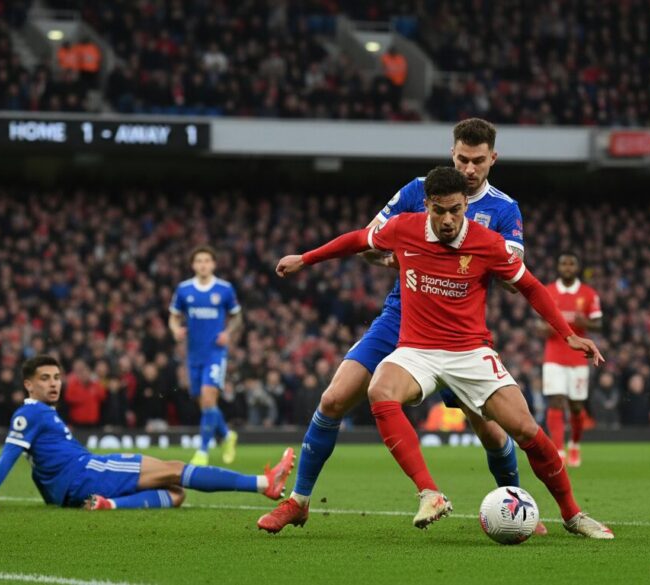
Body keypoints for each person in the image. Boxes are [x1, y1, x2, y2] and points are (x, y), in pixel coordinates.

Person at [276, 166, 613, 538]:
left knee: (524, 429)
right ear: (427, 206)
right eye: (439, 211)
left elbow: (531, 286)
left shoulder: (487, 242)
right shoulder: (403, 227)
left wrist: (567, 335)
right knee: (379, 391)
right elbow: (358, 240)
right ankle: (430, 493)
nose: (448, 219)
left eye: (455, 210)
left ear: (466, 204)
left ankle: (573, 515)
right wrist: (305, 259)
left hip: (469, 353)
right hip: (416, 349)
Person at [258, 119, 539, 534]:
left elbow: (514, 280)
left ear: (492, 159)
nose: (469, 168)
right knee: (334, 398)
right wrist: (392, 256)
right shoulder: (417, 191)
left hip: (460, 331)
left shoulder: (504, 209)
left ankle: (518, 510)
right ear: (452, 153)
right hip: (401, 316)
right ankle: (298, 501)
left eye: (478, 161)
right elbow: (369, 244)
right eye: (462, 158)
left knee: (493, 434)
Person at [0, 355, 294, 512]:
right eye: (45, 378)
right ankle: (265, 484)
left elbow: (40, 465)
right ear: (28, 384)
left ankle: (109, 505)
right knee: (175, 468)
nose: (54, 383)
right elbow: (8, 456)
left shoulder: (43, 414)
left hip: (80, 482)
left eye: (57, 377)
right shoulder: (29, 412)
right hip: (87, 472)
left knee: (176, 493)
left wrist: (54, 495)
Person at [169, 246, 243, 466]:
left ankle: (202, 451)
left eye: (207, 260)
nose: (203, 264)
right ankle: (228, 436)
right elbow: (173, 317)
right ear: (193, 265)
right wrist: (175, 330)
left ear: (213, 264)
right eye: (199, 261)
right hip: (194, 355)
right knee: (205, 405)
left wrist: (228, 333)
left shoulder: (224, 289)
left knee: (209, 399)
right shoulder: (184, 290)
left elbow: (237, 317)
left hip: (215, 353)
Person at [539, 252, 602, 466]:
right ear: (558, 267)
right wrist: (544, 329)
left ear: (577, 267)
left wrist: (584, 322)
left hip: (578, 357)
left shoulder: (588, 293)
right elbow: (539, 324)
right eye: (563, 263)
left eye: (571, 264)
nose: (567, 267)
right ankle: (558, 451)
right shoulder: (548, 291)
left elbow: (599, 323)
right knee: (556, 400)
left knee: (576, 406)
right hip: (553, 355)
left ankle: (574, 445)